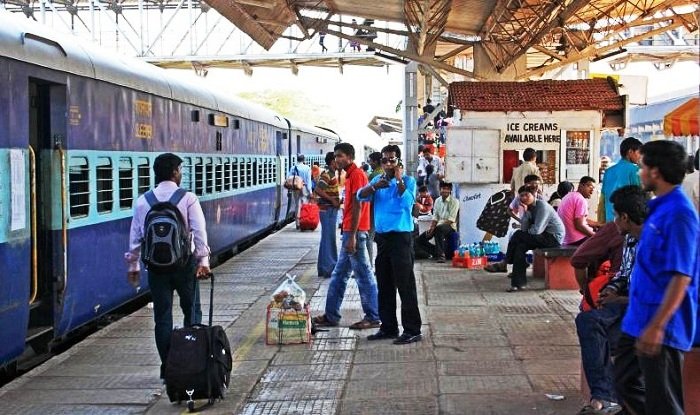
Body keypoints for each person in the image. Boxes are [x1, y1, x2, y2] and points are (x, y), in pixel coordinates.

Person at [614, 140, 699, 415]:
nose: (639, 172)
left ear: (655, 172)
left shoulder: (680, 214)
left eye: (642, 167)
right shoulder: (658, 207)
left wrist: (658, 325)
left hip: (663, 324)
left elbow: (681, 276)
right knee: (626, 382)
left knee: (664, 402)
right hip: (639, 318)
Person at [125, 153, 211, 380]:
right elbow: (199, 232)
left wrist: (133, 264)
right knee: (191, 312)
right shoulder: (188, 198)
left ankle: (168, 367)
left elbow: (136, 237)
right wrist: (203, 261)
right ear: (174, 172)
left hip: (156, 268)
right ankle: (191, 364)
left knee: (162, 318)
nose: (181, 174)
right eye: (180, 170)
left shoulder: (143, 201)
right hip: (184, 265)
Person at [572, 186, 646, 415]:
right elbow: (624, 273)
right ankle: (603, 396)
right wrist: (610, 291)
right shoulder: (630, 239)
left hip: (649, 310)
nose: (612, 222)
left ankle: (611, 398)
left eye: (615, 216)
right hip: (627, 303)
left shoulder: (657, 241)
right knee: (588, 321)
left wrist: (621, 298)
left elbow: (656, 294)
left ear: (625, 217)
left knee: (622, 351)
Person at [358, 144, 423, 344]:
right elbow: (360, 195)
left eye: (391, 160)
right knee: (385, 285)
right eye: (384, 160)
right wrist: (374, 186)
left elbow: (407, 204)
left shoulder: (408, 181)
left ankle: (412, 329)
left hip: (401, 238)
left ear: (398, 162)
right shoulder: (378, 180)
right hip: (383, 238)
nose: (387, 164)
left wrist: (398, 179)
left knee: (405, 285)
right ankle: (388, 327)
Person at [312, 143, 380, 330]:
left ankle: (373, 316)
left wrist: (353, 236)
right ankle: (331, 315)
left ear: (350, 157)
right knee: (339, 275)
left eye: (340, 156)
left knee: (363, 275)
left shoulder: (357, 175)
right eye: (335, 156)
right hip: (350, 230)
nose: (337, 159)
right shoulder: (349, 176)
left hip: (355, 232)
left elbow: (358, 205)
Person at [485, 185, 564, 292]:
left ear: (533, 195)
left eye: (527, 195)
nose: (524, 198)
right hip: (540, 237)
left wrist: (525, 232)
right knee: (520, 248)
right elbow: (525, 228)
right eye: (521, 196)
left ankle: (507, 260)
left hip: (552, 238)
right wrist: (526, 213)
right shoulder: (529, 208)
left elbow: (536, 231)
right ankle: (518, 284)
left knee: (518, 235)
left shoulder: (542, 207)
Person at [601, 137, 642, 223]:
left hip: (610, 221)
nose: (640, 156)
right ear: (630, 152)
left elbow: (602, 199)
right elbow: (639, 196)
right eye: (639, 153)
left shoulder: (608, 171)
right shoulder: (634, 170)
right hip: (627, 222)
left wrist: (601, 223)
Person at [416, 181, 459, 263]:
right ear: (440, 189)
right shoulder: (437, 201)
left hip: (450, 227)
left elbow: (451, 220)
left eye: (447, 189)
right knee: (420, 239)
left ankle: (441, 256)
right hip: (437, 226)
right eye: (443, 189)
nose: (445, 191)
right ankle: (435, 252)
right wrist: (432, 228)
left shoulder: (455, 202)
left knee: (439, 229)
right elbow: (435, 217)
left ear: (450, 190)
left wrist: (435, 227)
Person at [314, 152, 341, 278]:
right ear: (332, 162)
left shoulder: (331, 174)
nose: (339, 162)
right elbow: (318, 190)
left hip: (329, 210)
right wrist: (332, 200)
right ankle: (329, 267)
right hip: (327, 210)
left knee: (327, 238)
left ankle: (325, 267)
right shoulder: (327, 175)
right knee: (328, 238)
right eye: (337, 159)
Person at [557, 176, 598, 245]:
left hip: (565, 238)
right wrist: (596, 236)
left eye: (593, 188)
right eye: (590, 187)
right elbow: (579, 225)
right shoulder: (581, 200)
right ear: (581, 185)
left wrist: (598, 224)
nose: (592, 191)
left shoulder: (570, 196)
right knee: (605, 242)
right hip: (576, 240)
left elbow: (580, 219)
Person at [287, 154, 312, 229]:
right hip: (304, 187)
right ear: (303, 160)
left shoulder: (293, 168)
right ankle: (303, 221)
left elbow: (289, 179)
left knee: (297, 204)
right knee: (304, 204)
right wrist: (310, 191)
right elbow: (308, 180)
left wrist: (289, 189)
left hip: (296, 187)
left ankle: (297, 223)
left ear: (297, 160)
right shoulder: (307, 168)